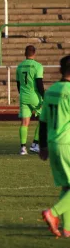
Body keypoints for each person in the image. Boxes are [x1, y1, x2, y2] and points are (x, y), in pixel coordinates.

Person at [39, 55, 70, 238]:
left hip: (53, 144)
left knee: (67, 187)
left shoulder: (51, 91)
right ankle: (53, 213)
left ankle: (67, 230)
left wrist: (42, 146)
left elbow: (43, 122)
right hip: (68, 143)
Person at [16, 45, 45, 155]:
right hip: (35, 97)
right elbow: (39, 83)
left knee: (24, 122)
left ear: (25, 53)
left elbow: (18, 84)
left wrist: (23, 94)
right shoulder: (37, 66)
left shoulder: (20, 66)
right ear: (34, 53)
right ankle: (35, 144)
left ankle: (23, 148)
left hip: (23, 96)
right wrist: (44, 96)